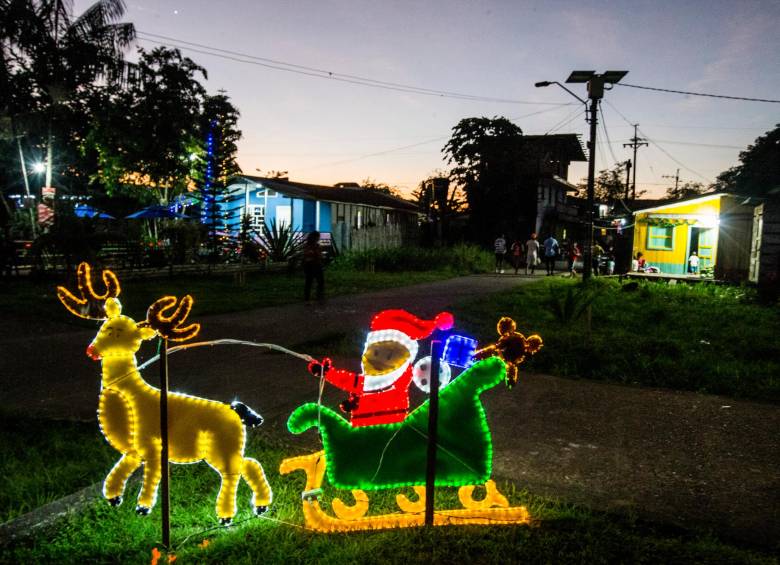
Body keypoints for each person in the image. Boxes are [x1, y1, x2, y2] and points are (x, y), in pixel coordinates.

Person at [303, 231, 324, 302]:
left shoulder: (316, 246)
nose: (318, 238)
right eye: (318, 237)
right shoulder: (309, 246)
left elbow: (318, 255)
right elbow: (308, 255)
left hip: (316, 264)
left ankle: (318, 297)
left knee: (320, 282)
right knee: (309, 282)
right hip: (311, 265)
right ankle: (308, 299)